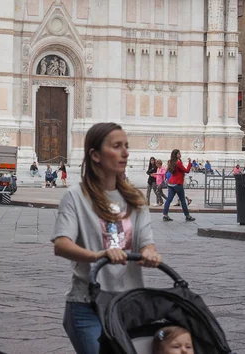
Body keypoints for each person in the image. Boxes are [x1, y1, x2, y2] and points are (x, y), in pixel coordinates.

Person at [51, 122, 162, 354]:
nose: (126, 152)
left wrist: (150, 253)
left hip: (128, 305)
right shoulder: (75, 196)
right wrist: (99, 255)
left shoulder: (136, 199)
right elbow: (61, 244)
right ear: (95, 155)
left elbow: (145, 243)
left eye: (126, 146)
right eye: (117, 146)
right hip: (86, 304)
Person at [162, 150, 196, 222]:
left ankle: (165, 215)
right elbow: (186, 170)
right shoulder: (178, 163)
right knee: (183, 200)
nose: (180, 154)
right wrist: (190, 163)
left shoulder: (171, 162)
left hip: (171, 183)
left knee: (169, 199)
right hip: (178, 183)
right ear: (176, 155)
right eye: (179, 154)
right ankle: (187, 216)